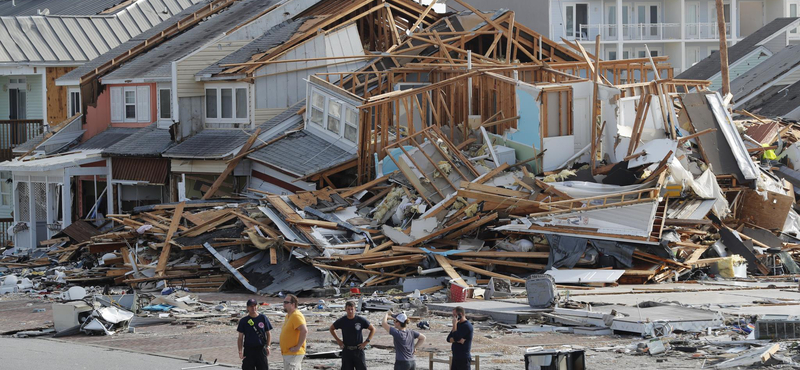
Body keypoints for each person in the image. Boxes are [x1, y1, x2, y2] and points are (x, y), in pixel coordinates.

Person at [330, 301, 375, 370]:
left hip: (358, 350)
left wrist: (366, 342)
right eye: (348, 309)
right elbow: (331, 328)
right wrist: (338, 340)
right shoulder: (342, 320)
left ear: (355, 309)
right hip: (347, 350)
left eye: (352, 309)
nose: (350, 311)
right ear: (345, 309)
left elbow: (373, 329)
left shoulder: (360, 320)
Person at [237, 298, 273, 370]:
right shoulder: (244, 321)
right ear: (247, 308)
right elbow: (240, 338)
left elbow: (268, 333)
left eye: (255, 306)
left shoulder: (263, 318)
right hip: (249, 350)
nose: (253, 308)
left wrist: (268, 346)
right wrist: (240, 351)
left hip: (261, 349)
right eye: (251, 306)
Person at [279, 294, 308, 370]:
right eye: (284, 302)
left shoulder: (296, 315)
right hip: (288, 354)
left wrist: (298, 346)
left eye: (286, 302)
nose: (284, 304)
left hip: (293, 354)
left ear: (293, 304)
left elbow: (304, 330)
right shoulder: (288, 316)